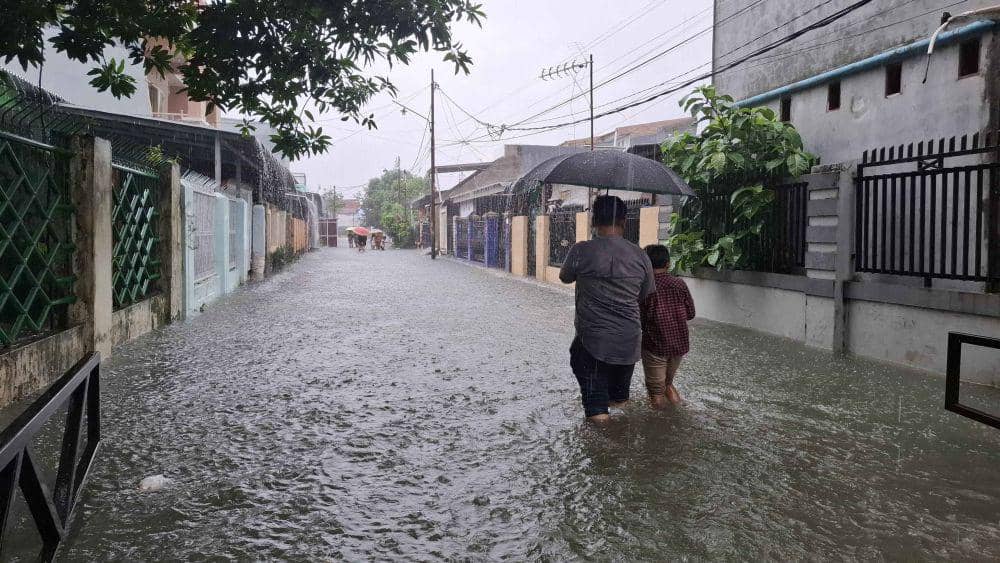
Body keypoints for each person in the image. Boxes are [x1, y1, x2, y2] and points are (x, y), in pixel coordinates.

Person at [559, 195, 655, 422]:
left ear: (593, 220)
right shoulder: (641, 255)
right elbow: (645, 295)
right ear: (624, 221)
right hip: (628, 343)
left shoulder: (581, 250)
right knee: (620, 402)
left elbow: (564, 277)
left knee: (596, 409)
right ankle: (624, 445)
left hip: (592, 341)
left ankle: (605, 452)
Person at [640, 244, 695, 408]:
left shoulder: (644, 287)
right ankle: (678, 413)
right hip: (679, 345)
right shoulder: (679, 283)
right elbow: (690, 313)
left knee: (656, 392)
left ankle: (662, 428)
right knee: (668, 384)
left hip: (655, 345)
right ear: (668, 264)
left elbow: (640, 319)